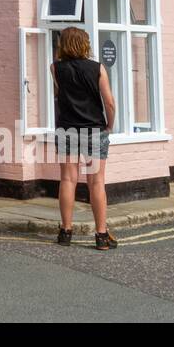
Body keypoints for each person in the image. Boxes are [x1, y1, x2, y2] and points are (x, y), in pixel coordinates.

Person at [50, 26, 117, 250]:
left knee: (68, 180)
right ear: (85, 44)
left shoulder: (55, 68)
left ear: (64, 45)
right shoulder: (97, 68)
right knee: (96, 182)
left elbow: (58, 95)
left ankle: (66, 232)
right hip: (94, 130)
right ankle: (100, 235)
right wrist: (110, 124)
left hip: (67, 129)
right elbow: (109, 102)